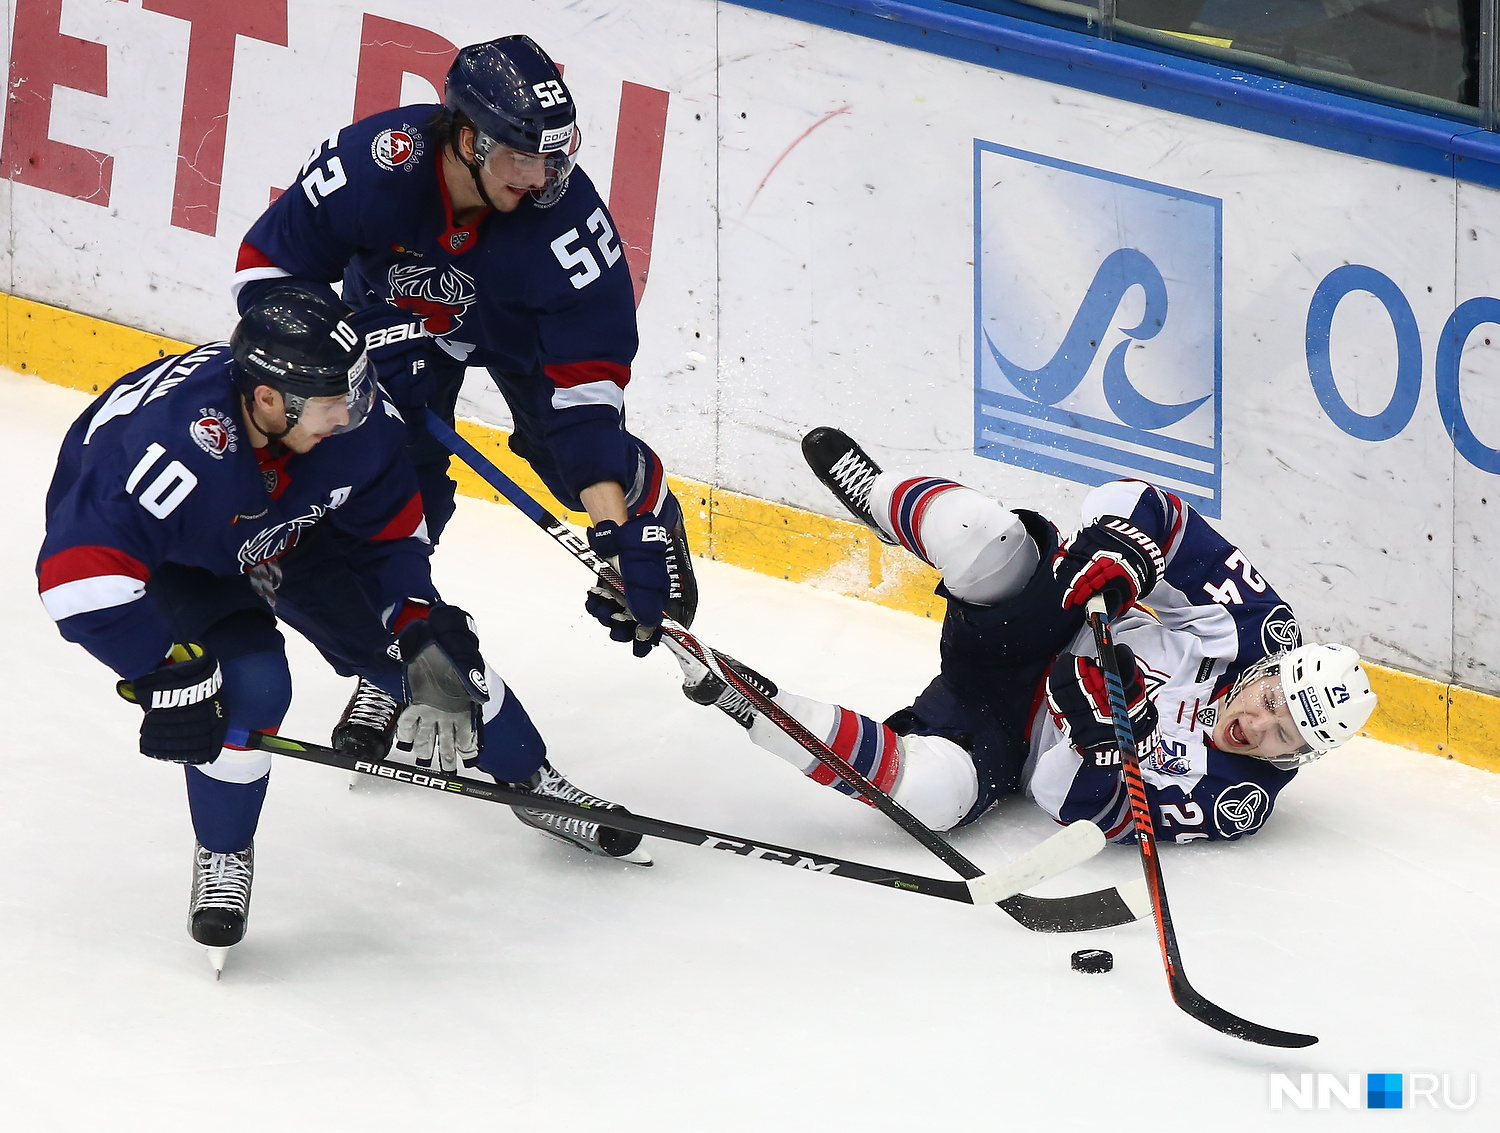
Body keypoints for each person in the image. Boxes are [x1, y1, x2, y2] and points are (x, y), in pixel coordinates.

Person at [36, 285, 650, 975]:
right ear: (268, 399)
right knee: (250, 686)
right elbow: (77, 579)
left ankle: (536, 783)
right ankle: (224, 851)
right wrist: (159, 670)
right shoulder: (174, 450)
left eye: (355, 394)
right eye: (334, 404)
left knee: (434, 664)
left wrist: (416, 617)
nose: (353, 414)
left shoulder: (354, 426)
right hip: (184, 556)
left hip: (284, 525)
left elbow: (391, 538)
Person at [232, 34, 696, 755]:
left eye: (556, 156)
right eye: (524, 157)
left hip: (520, 331)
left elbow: (587, 399)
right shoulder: (374, 166)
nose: (543, 179)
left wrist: (613, 528)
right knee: (386, 472)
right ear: (470, 140)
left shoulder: (567, 224)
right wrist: (336, 354)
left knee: (562, 455)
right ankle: (392, 650)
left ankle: (653, 511)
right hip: (390, 326)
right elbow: (266, 272)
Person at [672, 428, 1378, 844]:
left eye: (1283, 737)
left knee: (934, 797)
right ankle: (884, 496)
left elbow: (1064, 801)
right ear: (1265, 672)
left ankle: (759, 710)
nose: (1257, 728)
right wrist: (1127, 551)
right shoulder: (1257, 628)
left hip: (1006, 730)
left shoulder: (1234, 798)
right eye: (1270, 703)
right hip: (1046, 620)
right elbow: (1133, 504)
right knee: (982, 534)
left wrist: (1096, 734)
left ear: (1302, 756)